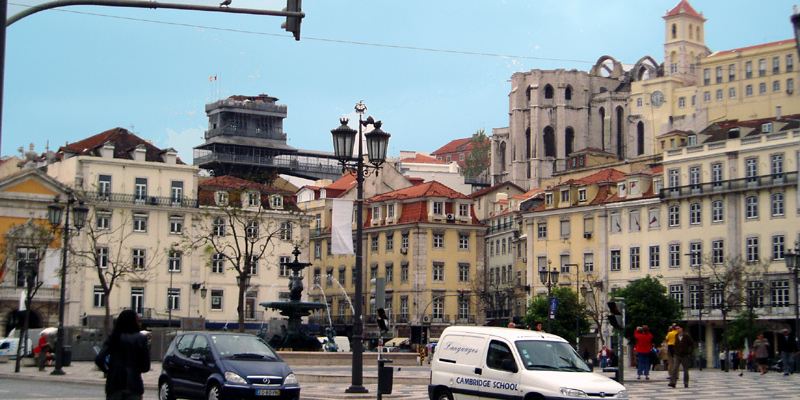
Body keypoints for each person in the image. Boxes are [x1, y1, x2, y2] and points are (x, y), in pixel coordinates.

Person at [95, 310, 151, 400]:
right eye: (138, 321)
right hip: (134, 384)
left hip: (114, 384)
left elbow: (99, 358)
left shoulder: (114, 337)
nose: (139, 323)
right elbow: (146, 366)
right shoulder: (141, 339)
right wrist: (136, 369)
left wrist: (108, 370)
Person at [668, 324, 694, 388]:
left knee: (685, 370)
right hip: (677, 355)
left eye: (678, 328)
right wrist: (675, 351)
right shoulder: (676, 336)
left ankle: (686, 383)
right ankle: (673, 382)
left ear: (681, 329)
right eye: (676, 329)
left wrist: (689, 352)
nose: (677, 330)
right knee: (675, 368)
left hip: (685, 355)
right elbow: (675, 344)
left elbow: (692, 344)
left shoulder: (686, 336)